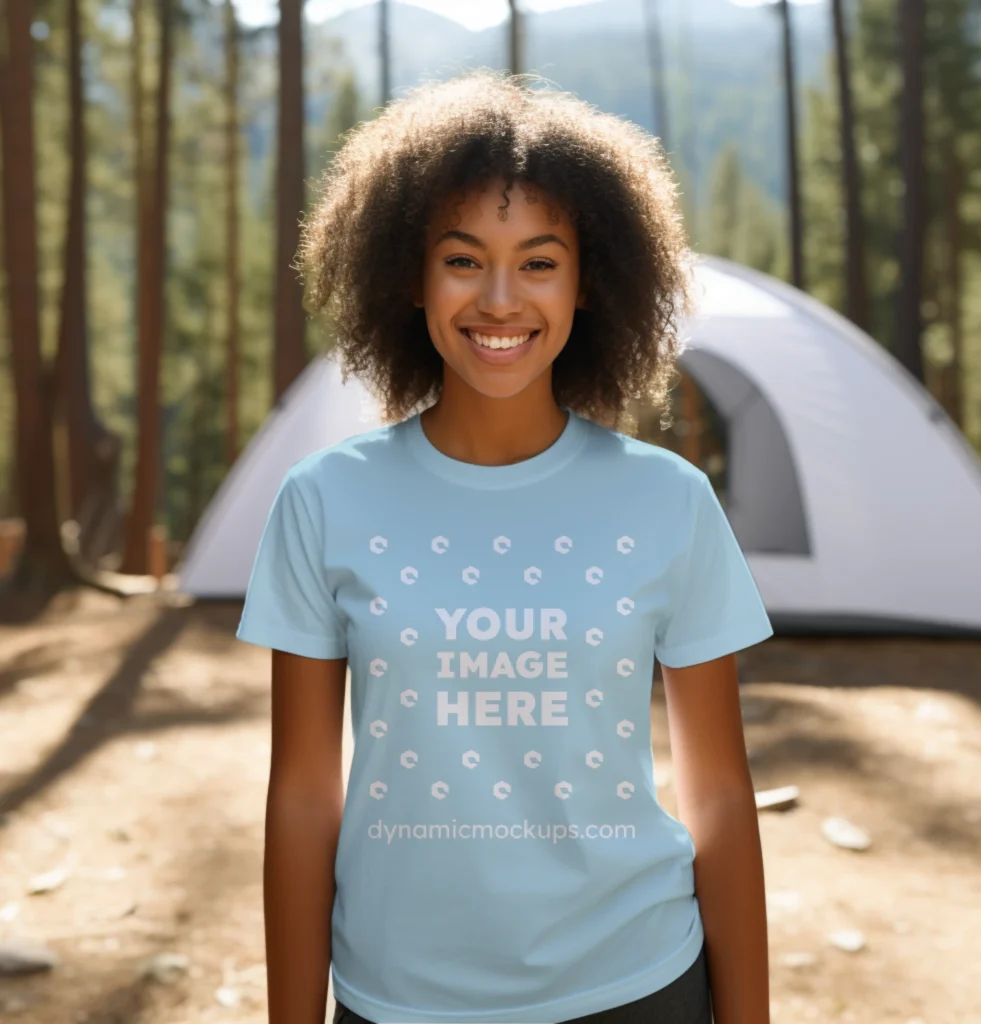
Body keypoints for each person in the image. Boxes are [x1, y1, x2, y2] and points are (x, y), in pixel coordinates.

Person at [236, 69, 774, 1024]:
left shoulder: (670, 501)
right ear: (407, 273)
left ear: (586, 282)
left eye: (537, 261)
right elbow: (302, 797)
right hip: (398, 998)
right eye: (460, 259)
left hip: (637, 983)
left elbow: (722, 795)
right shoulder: (325, 500)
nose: (498, 299)